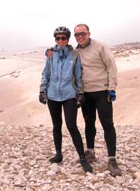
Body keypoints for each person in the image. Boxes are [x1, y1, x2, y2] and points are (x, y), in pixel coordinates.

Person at [46, 24, 122, 176]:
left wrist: (112, 88)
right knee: (89, 123)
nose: (80, 37)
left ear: (88, 33)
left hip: (101, 91)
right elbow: (63, 53)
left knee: (107, 124)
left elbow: (111, 67)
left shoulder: (100, 46)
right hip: (85, 93)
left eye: (82, 34)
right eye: (77, 35)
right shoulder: (76, 51)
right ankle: (90, 152)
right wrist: (51, 51)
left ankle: (112, 159)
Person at [39, 26, 93, 173]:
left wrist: (80, 93)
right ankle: (58, 154)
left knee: (71, 125)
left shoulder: (75, 54)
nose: (60, 40)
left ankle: (82, 158)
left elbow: (79, 75)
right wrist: (42, 90)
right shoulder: (50, 54)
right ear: (55, 40)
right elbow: (46, 74)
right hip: (53, 96)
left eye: (63, 38)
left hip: (69, 95)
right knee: (56, 125)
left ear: (68, 39)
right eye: (57, 38)